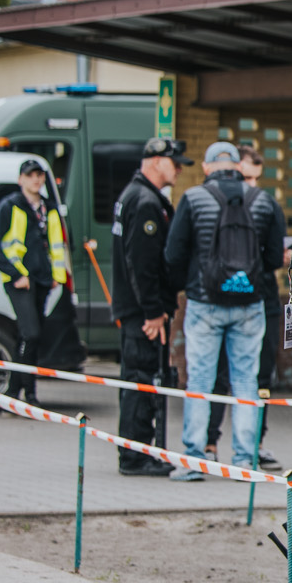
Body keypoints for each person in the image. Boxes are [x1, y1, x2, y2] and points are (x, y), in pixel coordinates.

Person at [162, 141, 283, 479]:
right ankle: (245, 461)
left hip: (204, 303)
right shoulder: (263, 201)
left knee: (200, 379)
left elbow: (173, 253)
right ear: (238, 167)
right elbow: (274, 258)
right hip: (250, 304)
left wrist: (190, 282)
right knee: (246, 381)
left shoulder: (193, 199)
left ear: (207, 167)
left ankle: (195, 461)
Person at [205, 145, 287, 470]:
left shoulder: (265, 205)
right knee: (218, 376)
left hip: (262, 300)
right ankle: (209, 443)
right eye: (246, 177)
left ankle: (256, 442)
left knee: (261, 376)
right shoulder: (214, 205)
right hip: (221, 301)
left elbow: (273, 254)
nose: (251, 185)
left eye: (256, 178)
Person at [109, 137, 188, 475]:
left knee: (138, 380)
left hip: (135, 309)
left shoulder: (136, 194)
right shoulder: (144, 202)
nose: (180, 168)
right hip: (143, 314)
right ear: (156, 161)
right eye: (175, 162)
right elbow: (141, 264)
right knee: (142, 381)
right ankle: (136, 456)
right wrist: (153, 311)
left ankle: (139, 451)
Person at [0, 157, 80, 404]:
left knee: (29, 337)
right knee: (32, 333)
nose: (36, 180)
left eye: (39, 175)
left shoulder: (49, 208)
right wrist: (17, 275)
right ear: (20, 180)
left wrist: (56, 277)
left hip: (43, 280)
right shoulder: (10, 206)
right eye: (30, 175)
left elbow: (57, 246)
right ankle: (29, 392)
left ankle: (16, 392)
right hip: (20, 281)